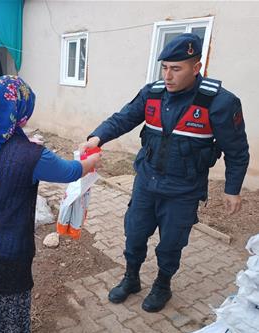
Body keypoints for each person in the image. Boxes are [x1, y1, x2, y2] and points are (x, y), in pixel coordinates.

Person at [80, 33, 249, 312]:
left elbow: (237, 150)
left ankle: (162, 285)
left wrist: (232, 189)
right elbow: (124, 118)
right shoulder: (153, 93)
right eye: (165, 67)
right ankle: (131, 278)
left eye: (176, 68)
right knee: (134, 234)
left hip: (183, 190)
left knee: (170, 244)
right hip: (147, 182)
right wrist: (97, 138)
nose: (168, 76)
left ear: (196, 68)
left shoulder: (220, 102)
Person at [0, 75, 101, 333]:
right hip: (1, 265)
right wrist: (92, 161)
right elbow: (72, 171)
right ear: (20, 112)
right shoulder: (33, 156)